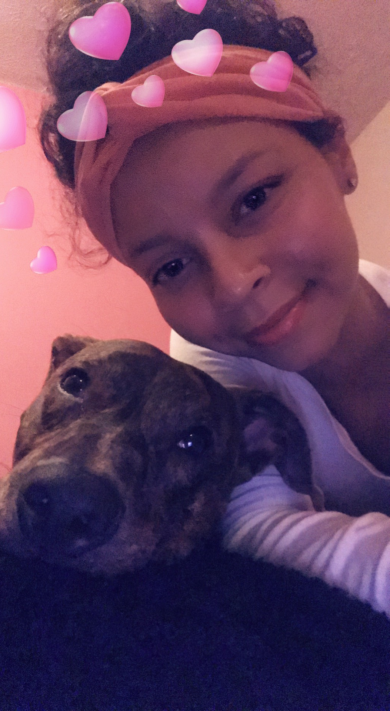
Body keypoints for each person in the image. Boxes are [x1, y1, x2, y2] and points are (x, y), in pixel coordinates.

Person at [38, 0, 390, 615]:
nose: (231, 285)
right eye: (171, 267)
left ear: (338, 153)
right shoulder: (210, 371)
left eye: (254, 198)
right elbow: (260, 531)